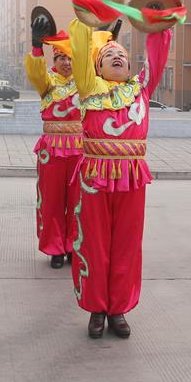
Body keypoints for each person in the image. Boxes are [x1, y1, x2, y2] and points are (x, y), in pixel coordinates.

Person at [68, 17, 171, 339]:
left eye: (123, 56)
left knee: (126, 245)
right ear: (97, 68)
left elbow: (157, 59)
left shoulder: (140, 89)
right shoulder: (89, 88)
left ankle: (119, 309)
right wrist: (85, 20)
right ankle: (97, 309)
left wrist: (158, 26)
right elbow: (82, 54)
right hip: (95, 176)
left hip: (131, 176)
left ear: (129, 67)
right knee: (94, 244)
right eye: (108, 55)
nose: (116, 57)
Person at [25, 23, 81, 269]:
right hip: (52, 149)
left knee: (78, 201)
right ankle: (55, 248)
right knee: (52, 201)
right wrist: (37, 47)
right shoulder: (47, 82)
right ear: (54, 61)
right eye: (61, 58)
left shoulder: (86, 83)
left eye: (70, 58)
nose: (66, 63)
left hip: (81, 150)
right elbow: (36, 71)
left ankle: (74, 246)